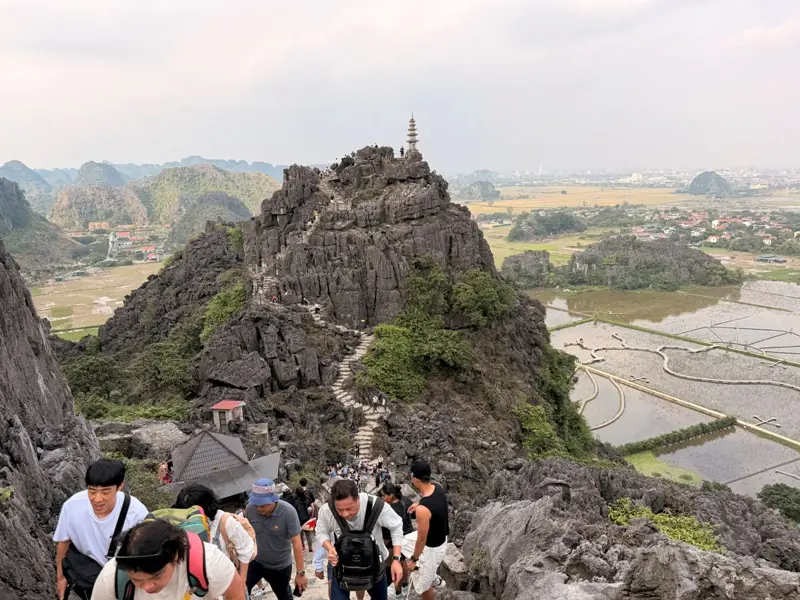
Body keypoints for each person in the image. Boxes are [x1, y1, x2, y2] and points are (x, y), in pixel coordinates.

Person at [54, 458, 149, 600]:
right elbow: (64, 543)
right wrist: (61, 578)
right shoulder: (72, 506)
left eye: (105, 492)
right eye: (92, 491)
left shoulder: (136, 514)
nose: (97, 499)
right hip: (89, 578)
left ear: (120, 486)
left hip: (123, 578)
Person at [90, 519, 245, 599]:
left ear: (175, 556)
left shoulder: (208, 561)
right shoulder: (111, 578)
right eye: (137, 580)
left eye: (156, 576)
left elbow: (235, 594)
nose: (147, 587)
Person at [316, 479, 404, 600]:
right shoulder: (327, 510)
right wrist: (330, 548)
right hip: (342, 563)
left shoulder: (376, 506)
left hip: (375, 564)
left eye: (349, 508)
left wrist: (396, 559)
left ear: (358, 499)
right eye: (340, 510)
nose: (345, 514)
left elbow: (396, 525)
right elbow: (321, 532)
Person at [173, 483, 255, 588]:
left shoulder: (227, 522)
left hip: (228, 582)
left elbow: (246, 550)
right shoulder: (186, 525)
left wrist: (241, 582)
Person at [245, 479, 308, 600]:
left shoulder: (288, 512)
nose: (258, 508)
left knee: (284, 595)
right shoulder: (250, 509)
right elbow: (249, 534)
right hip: (256, 562)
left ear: (273, 499)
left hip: (280, 566)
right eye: (256, 504)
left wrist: (300, 573)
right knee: (241, 589)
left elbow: (297, 543)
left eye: (262, 505)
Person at [407, 460, 450, 600]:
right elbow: (432, 500)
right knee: (404, 542)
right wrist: (418, 503)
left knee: (423, 588)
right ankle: (431, 575)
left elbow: (422, 539)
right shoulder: (438, 487)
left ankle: (431, 577)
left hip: (432, 549)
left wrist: (414, 559)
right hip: (443, 538)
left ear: (415, 478)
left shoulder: (423, 510)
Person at [381, 484, 414, 597]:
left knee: (395, 566)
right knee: (403, 562)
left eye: (384, 496)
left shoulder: (388, 509)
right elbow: (413, 515)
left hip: (395, 542)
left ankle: (398, 592)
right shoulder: (406, 500)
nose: (382, 498)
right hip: (408, 536)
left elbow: (385, 532)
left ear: (391, 495)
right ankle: (405, 586)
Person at [293, 485, 315, 552]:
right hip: (306, 518)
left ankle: (302, 547)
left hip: (298, 520)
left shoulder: (295, 502)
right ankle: (310, 548)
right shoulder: (306, 500)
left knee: (300, 534)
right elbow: (312, 507)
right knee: (308, 534)